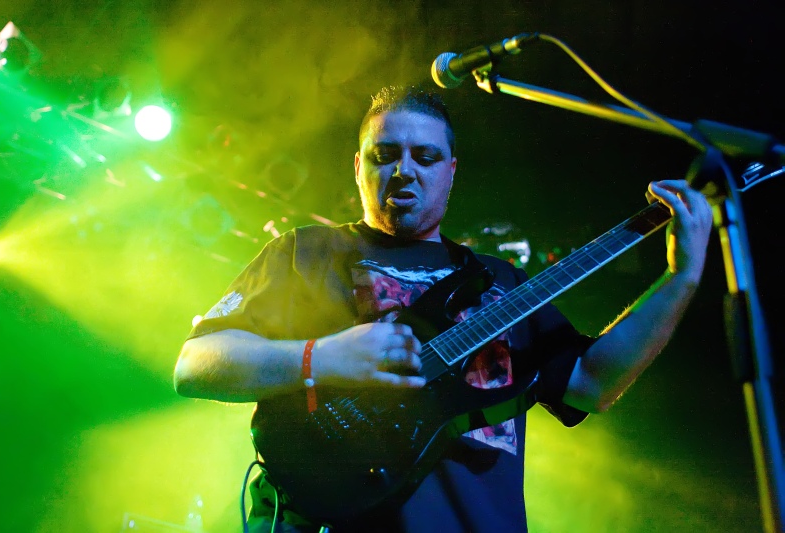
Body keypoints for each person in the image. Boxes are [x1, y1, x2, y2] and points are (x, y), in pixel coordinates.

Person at [173, 85, 713, 532]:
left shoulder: (501, 283)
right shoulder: (306, 252)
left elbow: (593, 384)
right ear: (359, 166)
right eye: (386, 155)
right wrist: (321, 358)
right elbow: (196, 365)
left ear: (451, 170)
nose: (405, 171)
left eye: (425, 156)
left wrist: (682, 277)